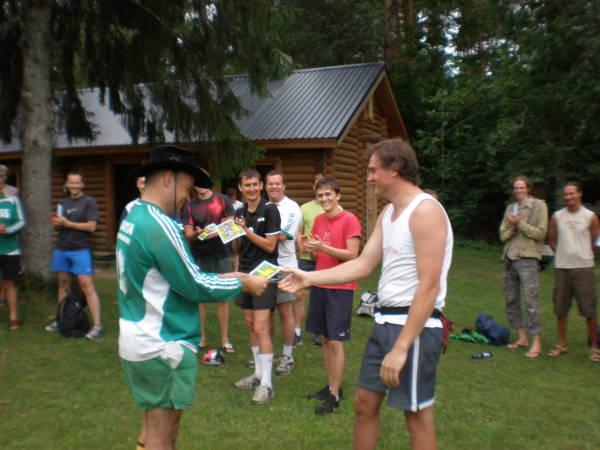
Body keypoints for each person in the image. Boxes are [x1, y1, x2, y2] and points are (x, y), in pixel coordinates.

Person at [281, 139, 453, 448]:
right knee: (364, 403)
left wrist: (401, 347)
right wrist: (308, 277)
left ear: (395, 168)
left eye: (373, 170)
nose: (369, 177)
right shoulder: (389, 213)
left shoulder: (425, 211)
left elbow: (429, 286)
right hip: (383, 321)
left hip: (414, 327)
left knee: (416, 416)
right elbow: (362, 264)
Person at [117, 145, 267, 450]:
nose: (188, 197)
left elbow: (177, 279)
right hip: (162, 344)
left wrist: (235, 277)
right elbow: (195, 285)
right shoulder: (159, 225)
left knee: (149, 434)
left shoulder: (135, 215)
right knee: (162, 439)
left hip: (139, 338)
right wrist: (243, 284)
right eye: (187, 188)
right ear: (169, 179)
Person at [301, 176, 361, 415]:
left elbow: (353, 254)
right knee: (325, 339)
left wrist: (323, 247)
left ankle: (335, 395)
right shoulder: (318, 220)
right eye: (320, 195)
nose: (324, 199)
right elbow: (317, 255)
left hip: (341, 286)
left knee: (335, 341)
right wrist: (308, 247)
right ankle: (331, 386)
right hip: (320, 282)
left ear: (338, 196)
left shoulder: (350, 219)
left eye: (328, 194)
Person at [233, 168, 281, 404]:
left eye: (255, 184)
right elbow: (237, 247)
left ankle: (267, 385)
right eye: (247, 185)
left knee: (261, 327)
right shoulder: (239, 212)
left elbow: (271, 246)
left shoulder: (270, 210)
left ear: (261, 186)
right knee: (251, 324)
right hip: (244, 270)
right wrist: (233, 233)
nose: (251, 189)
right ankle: (258, 374)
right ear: (241, 188)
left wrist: (245, 231)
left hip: (265, 272)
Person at [46, 171, 103, 340]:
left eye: (77, 182)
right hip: (62, 248)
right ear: (66, 184)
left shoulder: (89, 202)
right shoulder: (62, 202)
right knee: (63, 284)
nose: (74, 185)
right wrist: (56, 222)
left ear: (82, 184)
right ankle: (61, 319)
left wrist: (67, 223)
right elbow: (60, 225)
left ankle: (97, 325)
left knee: (87, 286)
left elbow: (92, 227)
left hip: (80, 249)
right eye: (71, 182)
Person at [547, 182, 600, 362]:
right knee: (560, 308)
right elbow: (552, 240)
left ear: (580, 194)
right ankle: (562, 344)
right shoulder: (557, 216)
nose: (568, 197)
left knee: (589, 309)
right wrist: (563, 253)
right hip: (562, 268)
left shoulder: (590, 216)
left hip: (584, 267)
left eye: (572, 193)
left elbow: (596, 242)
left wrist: (583, 254)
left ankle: (594, 347)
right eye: (566, 194)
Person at [182, 181, 236, 353]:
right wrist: (196, 234)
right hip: (200, 255)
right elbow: (188, 233)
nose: (201, 185)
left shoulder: (223, 200)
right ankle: (201, 338)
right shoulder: (190, 206)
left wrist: (216, 231)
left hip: (222, 254)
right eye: (198, 182)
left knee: (222, 297)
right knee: (201, 299)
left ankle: (225, 339)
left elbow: (231, 224)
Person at [499, 175, 548, 358]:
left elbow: (540, 233)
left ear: (528, 188)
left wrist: (519, 223)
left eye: (521, 187)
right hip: (509, 257)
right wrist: (513, 227)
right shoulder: (510, 208)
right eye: (516, 188)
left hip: (528, 258)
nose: (518, 190)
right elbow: (503, 236)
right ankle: (522, 337)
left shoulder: (539, 206)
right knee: (511, 299)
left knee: (530, 301)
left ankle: (537, 342)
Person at [265, 169, 302, 376]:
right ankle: (267, 354)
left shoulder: (292, 208)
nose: (274, 187)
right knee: (266, 312)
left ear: (284, 186)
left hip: (285, 266)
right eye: (270, 183)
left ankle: (287, 356)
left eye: (277, 183)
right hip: (265, 267)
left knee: (285, 311)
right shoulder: (263, 206)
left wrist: (252, 233)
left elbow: (282, 235)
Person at [295, 173, 325, 346]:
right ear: (313, 187)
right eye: (317, 185)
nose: (320, 188)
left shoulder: (336, 207)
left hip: (325, 259)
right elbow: (299, 230)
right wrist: (300, 244)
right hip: (306, 259)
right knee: (301, 295)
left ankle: (319, 332)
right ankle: (296, 332)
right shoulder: (304, 208)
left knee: (321, 296)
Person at [0, 172, 26, 330]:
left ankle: (13, 317)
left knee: (10, 282)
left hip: (10, 249)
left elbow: (21, 221)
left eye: (0, 179)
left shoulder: (13, 200)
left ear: (3, 182)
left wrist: (7, 230)